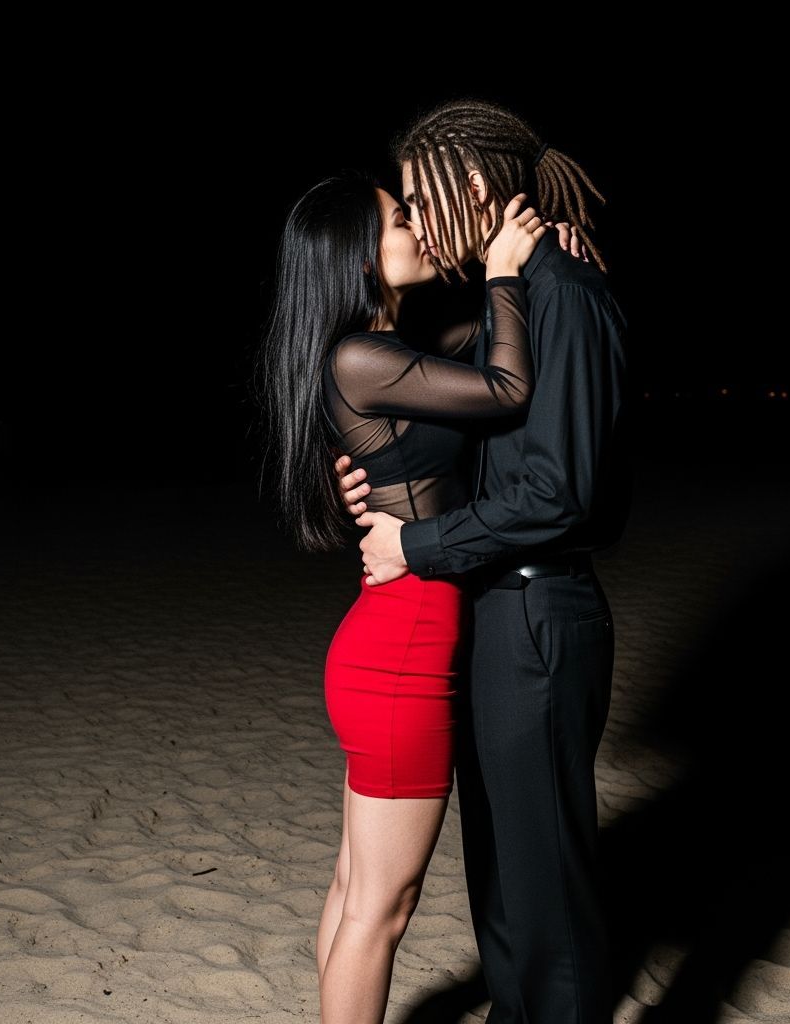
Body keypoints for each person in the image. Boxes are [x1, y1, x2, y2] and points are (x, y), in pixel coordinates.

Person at [334, 99, 630, 1023]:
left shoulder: (564, 295)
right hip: (493, 616)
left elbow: (558, 495)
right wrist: (371, 492)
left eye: (422, 201)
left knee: (546, 904)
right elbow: (453, 432)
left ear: (471, 188)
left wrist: (414, 542)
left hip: (539, 615)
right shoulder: (510, 300)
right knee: (504, 886)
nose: (418, 224)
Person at [255, 169, 563, 1022]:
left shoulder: (383, 352)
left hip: (386, 641)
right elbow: (508, 389)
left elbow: (474, 355)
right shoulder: (361, 356)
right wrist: (504, 272)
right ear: (361, 257)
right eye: (402, 218)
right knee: (379, 910)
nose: (420, 226)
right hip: (402, 654)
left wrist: (512, 272)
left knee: (358, 890)